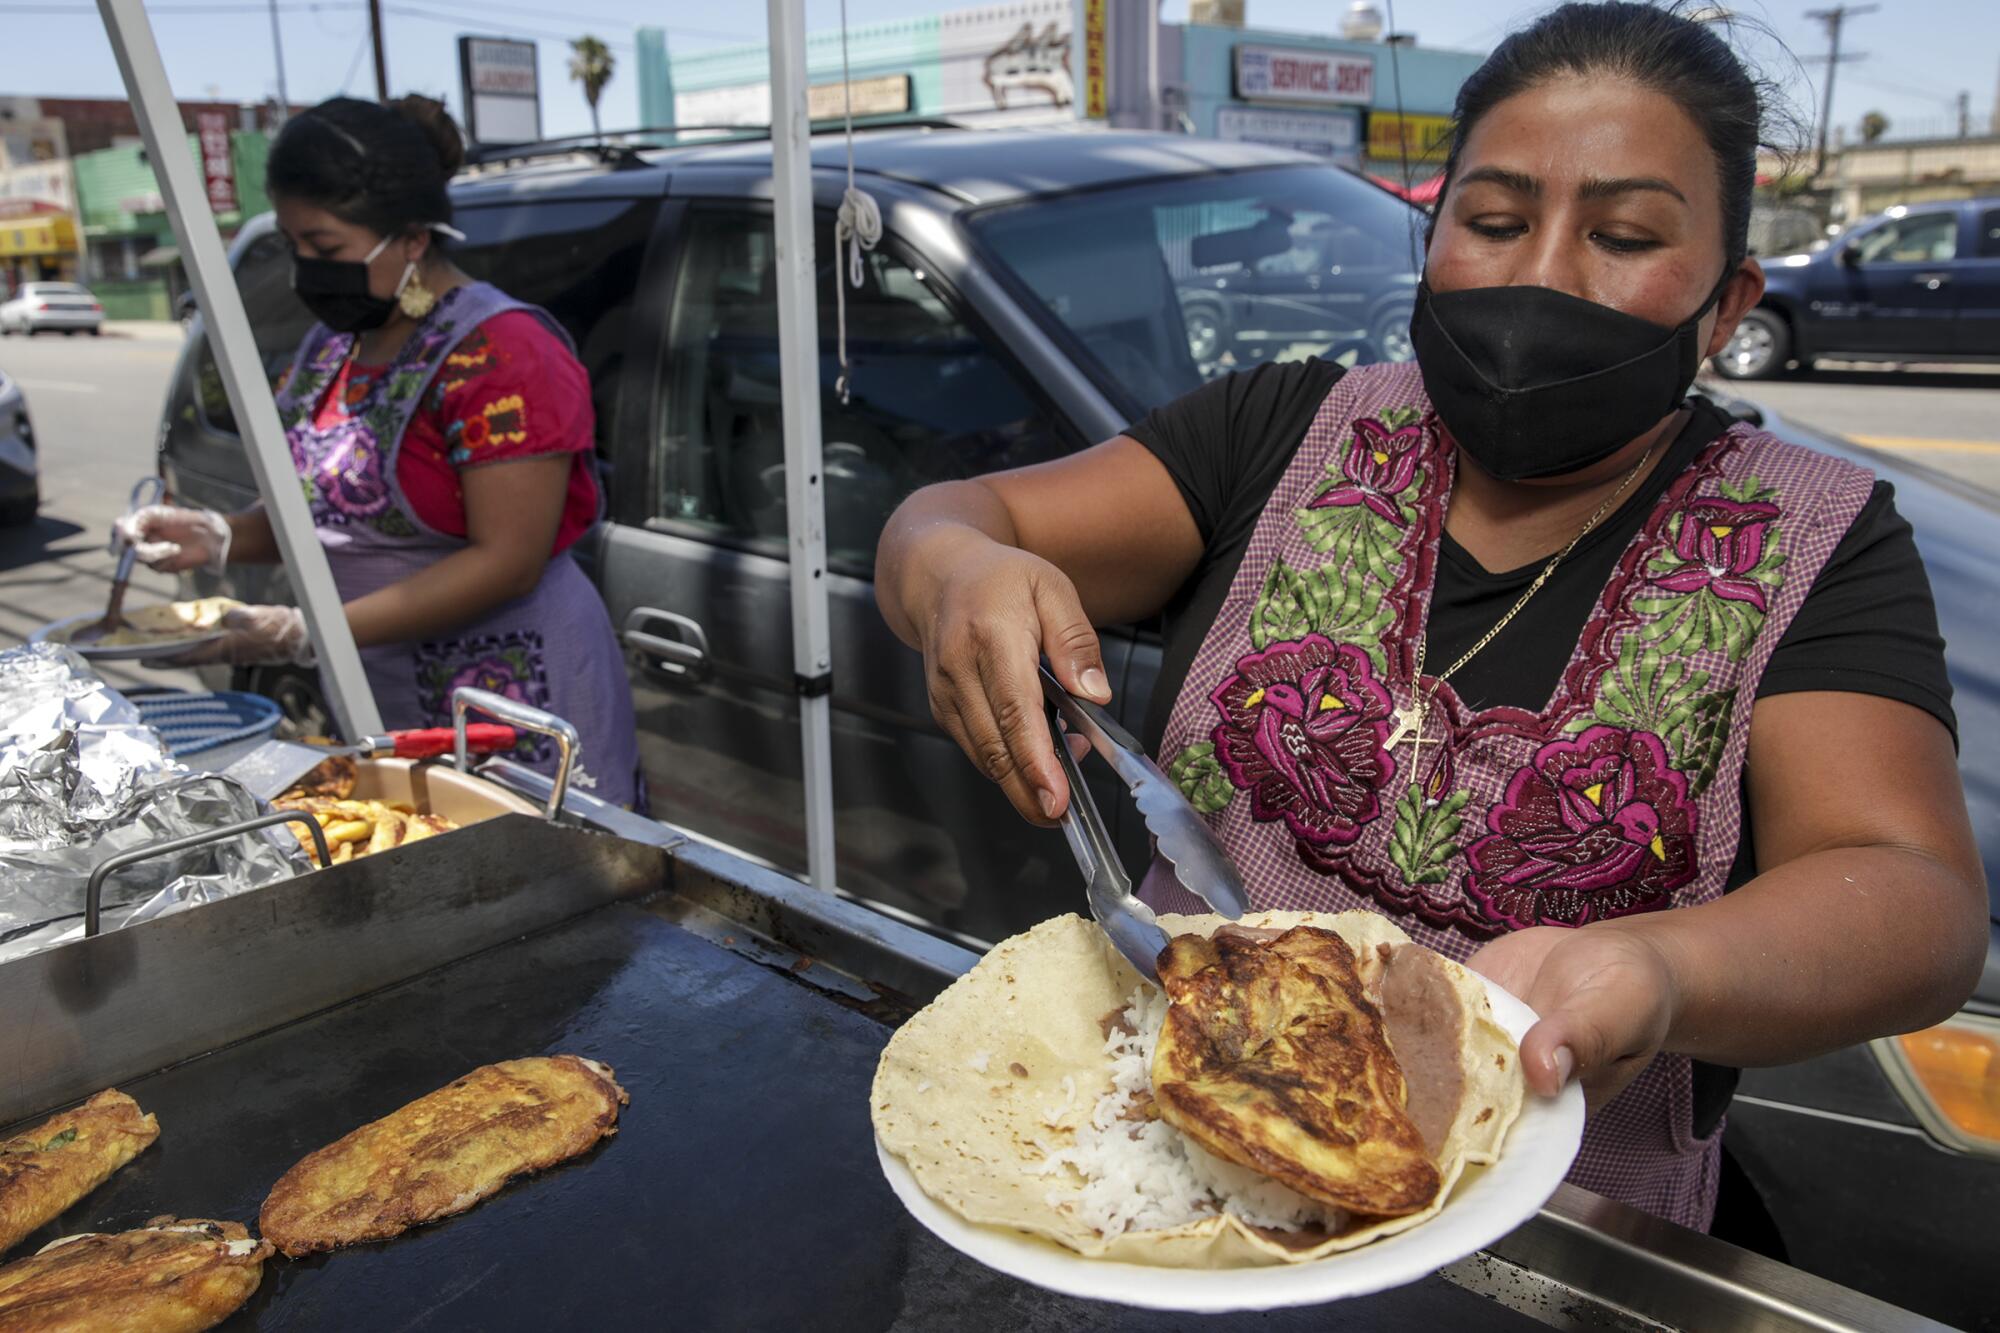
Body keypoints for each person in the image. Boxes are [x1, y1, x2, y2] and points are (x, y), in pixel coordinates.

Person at [874, 2, 1986, 1230]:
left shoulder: (1808, 540)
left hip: (1557, 1241)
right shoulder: (1279, 431)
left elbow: (1910, 897)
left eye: (1620, 234)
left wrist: (1664, 969)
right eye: (1494, 221)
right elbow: (956, 519)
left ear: (1725, 307)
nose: (1540, 274)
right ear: (1434, 235)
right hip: (1169, 1173)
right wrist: (952, 566)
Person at [120, 96, 641, 805]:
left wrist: (304, 631)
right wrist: (218, 535)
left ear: (413, 237)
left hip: (512, 701)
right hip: (380, 691)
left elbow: (509, 561)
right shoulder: (332, 347)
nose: (306, 270)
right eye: (294, 246)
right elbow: (324, 512)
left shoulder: (503, 353)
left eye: (327, 249)